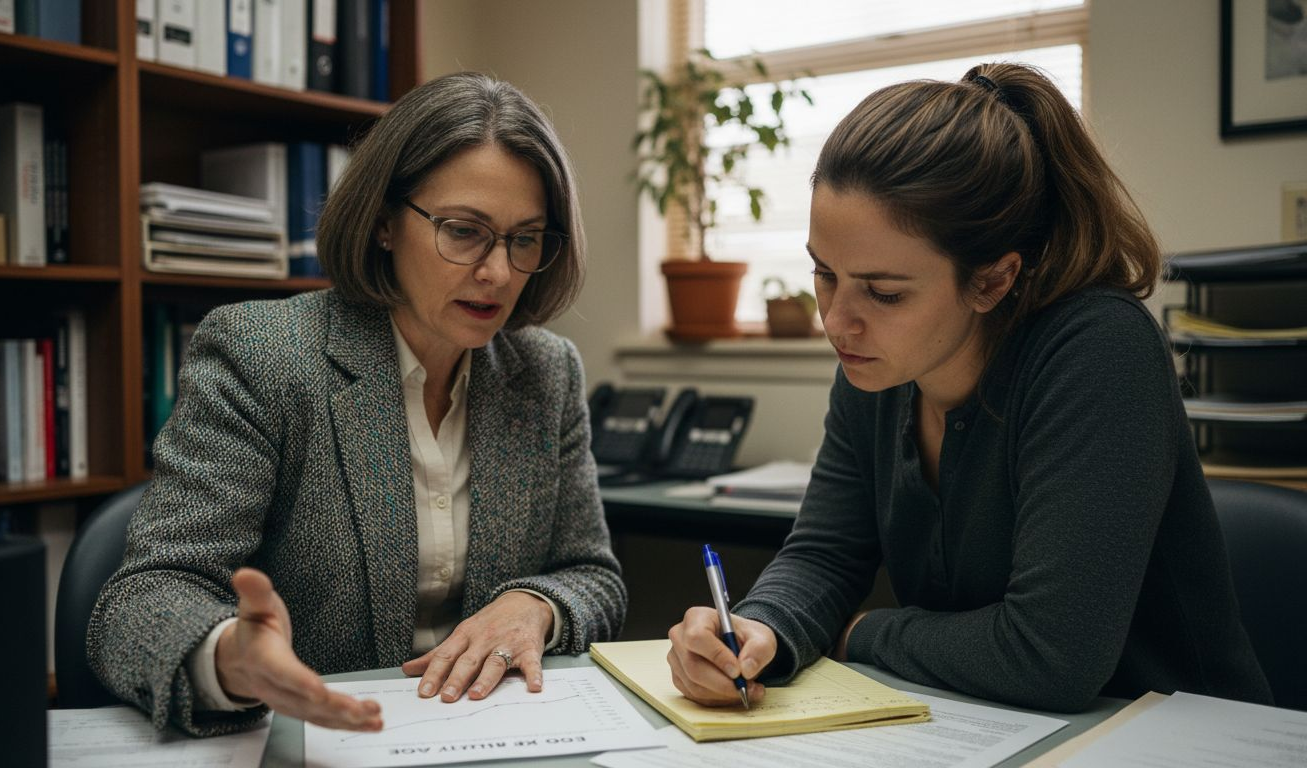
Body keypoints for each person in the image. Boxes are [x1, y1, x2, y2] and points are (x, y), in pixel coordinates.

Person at [667, 62, 1273, 713]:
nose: (837, 320)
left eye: (885, 291)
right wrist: (764, 629)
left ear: (991, 280)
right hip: (986, 724)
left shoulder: (1098, 349)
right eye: (824, 274)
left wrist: (861, 632)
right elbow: (823, 554)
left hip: (1172, 735)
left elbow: (1051, 657)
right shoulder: (876, 363)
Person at [89, 72, 627, 737]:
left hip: (488, 738)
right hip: (314, 742)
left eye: (525, 239)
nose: (497, 273)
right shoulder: (264, 355)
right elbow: (140, 599)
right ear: (382, 223)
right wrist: (230, 658)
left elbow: (593, 575)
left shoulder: (545, 373)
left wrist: (535, 604)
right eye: (464, 232)